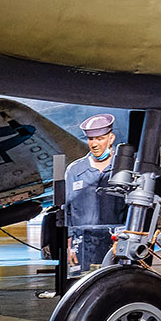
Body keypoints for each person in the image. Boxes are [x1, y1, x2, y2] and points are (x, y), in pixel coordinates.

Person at [65, 112, 127, 270]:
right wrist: (69, 244)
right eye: (91, 139)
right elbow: (67, 210)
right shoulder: (75, 170)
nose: (94, 144)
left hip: (116, 241)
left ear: (111, 138)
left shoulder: (124, 170)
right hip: (83, 244)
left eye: (100, 139)